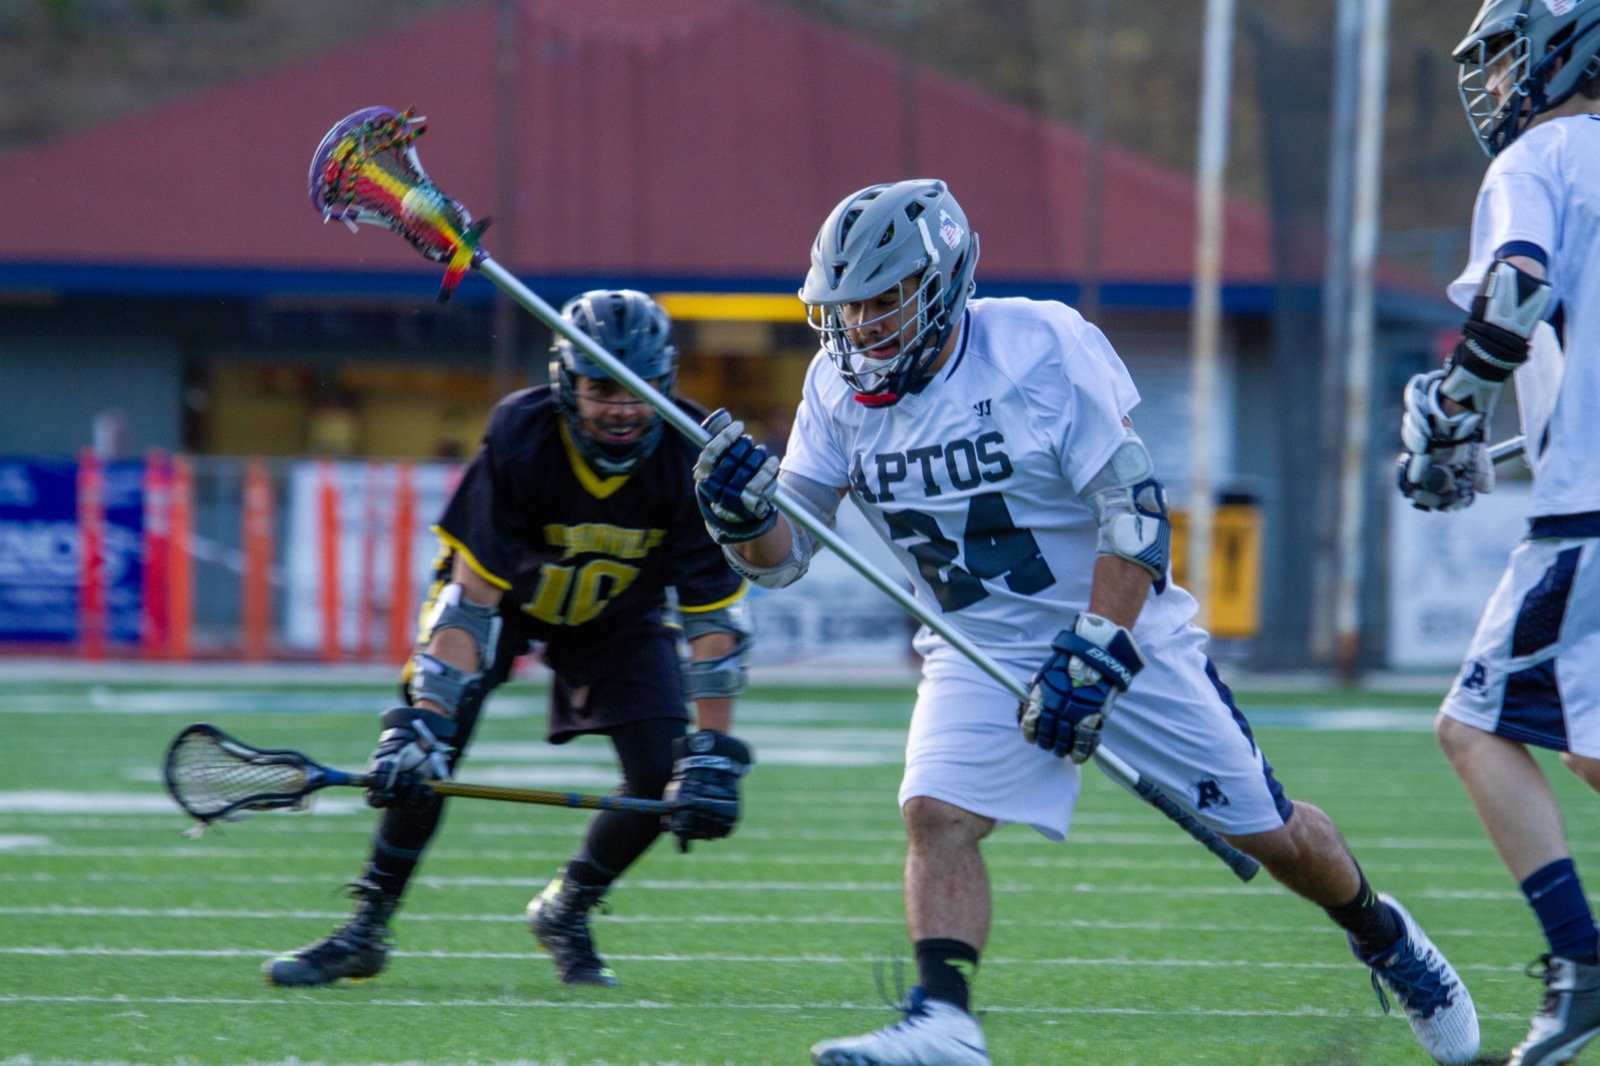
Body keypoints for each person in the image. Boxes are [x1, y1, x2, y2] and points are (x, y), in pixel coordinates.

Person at [693, 179, 1479, 1066]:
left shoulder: (1038, 346)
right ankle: (944, 1021)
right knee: (935, 813)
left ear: (943, 283)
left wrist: (1096, 648)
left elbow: (1134, 514)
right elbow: (786, 556)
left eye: (884, 301)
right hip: (977, 640)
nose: (864, 326)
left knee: (1269, 831)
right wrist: (738, 514)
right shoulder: (835, 389)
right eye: (848, 307)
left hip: (1115, 627)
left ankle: (1384, 936)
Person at [265, 289, 754, 989]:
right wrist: (425, 724)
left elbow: (714, 620)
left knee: (664, 773)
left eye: (638, 388)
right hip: (508, 604)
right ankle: (368, 924)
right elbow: (470, 604)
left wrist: (712, 752)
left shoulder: (692, 450)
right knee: (428, 754)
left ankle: (567, 908)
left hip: (619, 614)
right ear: (566, 384)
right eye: (601, 389)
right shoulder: (523, 434)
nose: (621, 407)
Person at [1398, 3, 1600, 1063]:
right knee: (1587, 747)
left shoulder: (1543, 154)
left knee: (1474, 728)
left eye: (1509, 55)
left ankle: (1582, 965)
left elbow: (1517, 289)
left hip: (1590, 519)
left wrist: (1453, 414)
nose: (1494, 83)